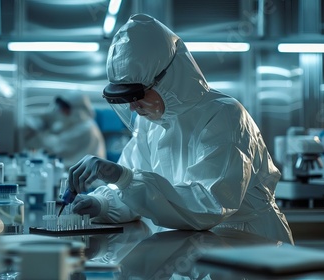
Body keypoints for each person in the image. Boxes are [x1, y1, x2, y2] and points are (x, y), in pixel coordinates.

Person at [67, 14, 294, 244]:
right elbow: (136, 192)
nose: (133, 107)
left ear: (167, 79)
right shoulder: (150, 123)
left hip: (248, 243)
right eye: (126, 98)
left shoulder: (223, 115)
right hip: (194, 246)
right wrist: (102, 203)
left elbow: (209, 204)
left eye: (137, 95)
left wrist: (123, 177)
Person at [24, 94, 106, 168]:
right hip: (79, 174)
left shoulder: (86, 128)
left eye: (65, 109)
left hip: (91, 179)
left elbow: (56, 146)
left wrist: (39, 134)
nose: (62, 112)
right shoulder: (75, 123)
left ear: (77, 110)